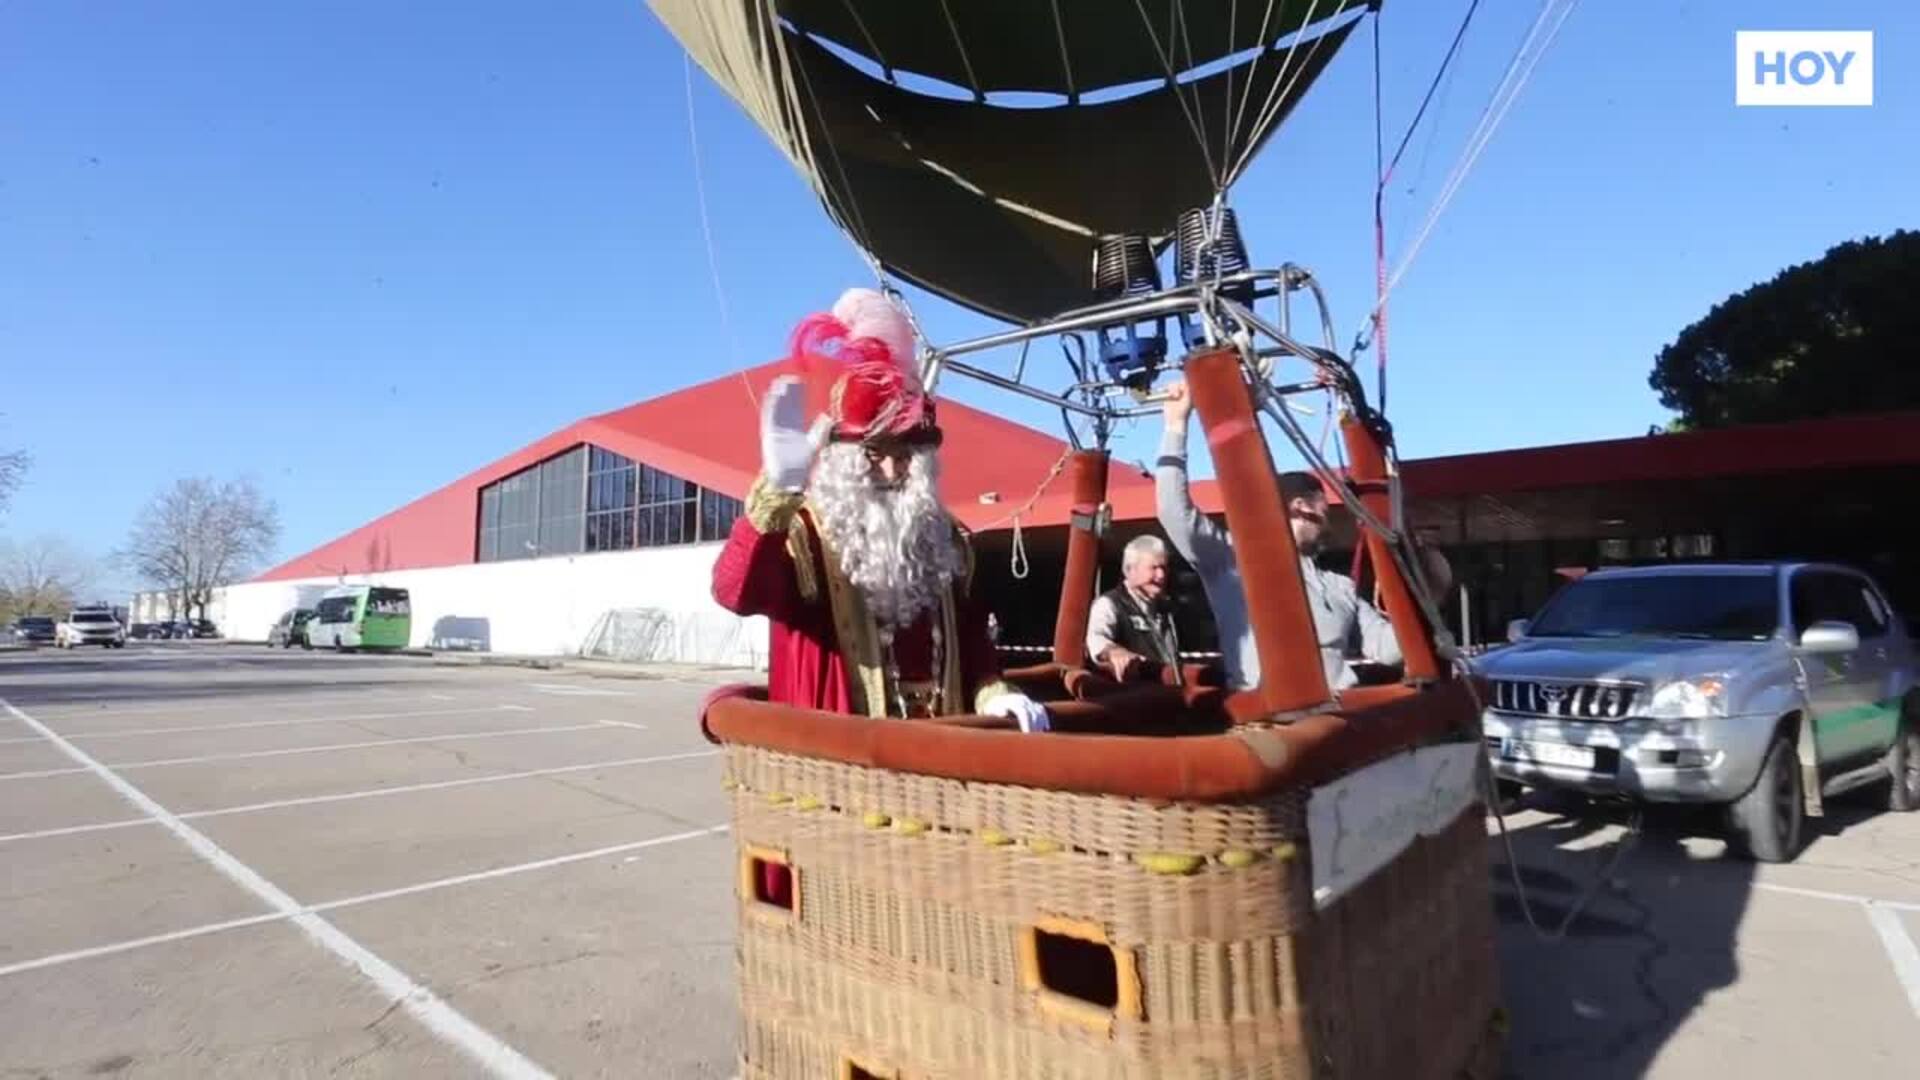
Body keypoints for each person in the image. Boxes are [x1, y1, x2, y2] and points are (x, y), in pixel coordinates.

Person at [711, 286, 1051, 733]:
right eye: (874, 453)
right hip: (837, 769)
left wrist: (996, 695)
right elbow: (736, 591)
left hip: (937, 764)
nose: (892, 469)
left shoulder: (946, 539)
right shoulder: (804, 535)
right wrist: (778, 488)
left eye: (906, 453)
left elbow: (972, 645)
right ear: (843, 458)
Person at [1154, 380, 1401, 692]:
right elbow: (1173, 511)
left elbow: (1388, 648)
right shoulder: (1234, 561)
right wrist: (1175, 425)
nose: (1328, 523)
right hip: (1266, 722)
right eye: (1324, 511)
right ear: (1301, 507)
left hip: (1339, 721)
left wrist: (1425, 600)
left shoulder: (1340, 587)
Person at [1085, 534, 1182, 684]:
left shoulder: (1165, 608)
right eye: (1154, 568)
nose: (1161, 575)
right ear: (1130, 570)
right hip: (1128, 699)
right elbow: (1096, 639)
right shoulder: (1109, 603)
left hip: (1165, 695)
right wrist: (1114, 652)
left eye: (1164, 568)